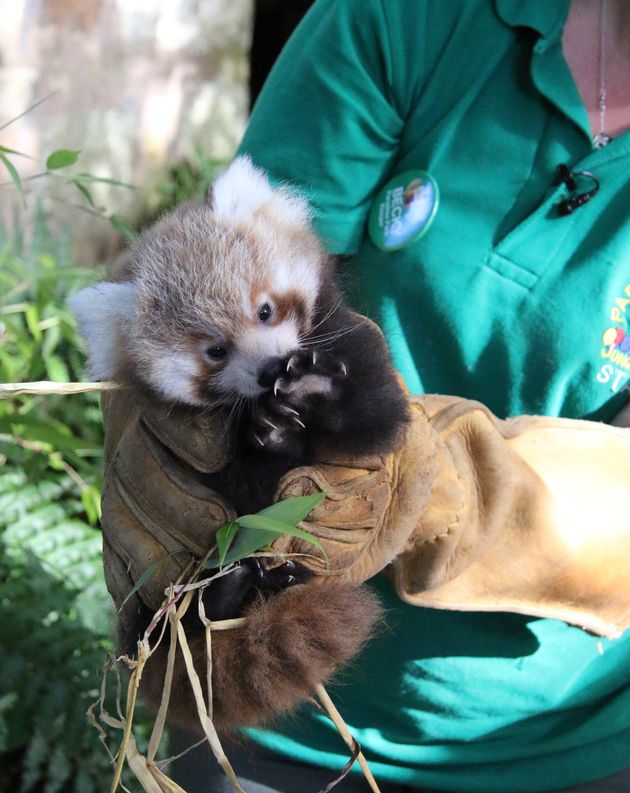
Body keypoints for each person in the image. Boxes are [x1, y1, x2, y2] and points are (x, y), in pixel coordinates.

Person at [167, 0, 630, 791]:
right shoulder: (410, 20)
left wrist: (423, 492)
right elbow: (248, 293)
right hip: (273, 706)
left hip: (568, 739)